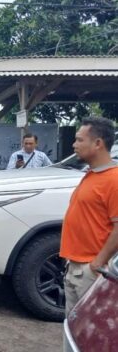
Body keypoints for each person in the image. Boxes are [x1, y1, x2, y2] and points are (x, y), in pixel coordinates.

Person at [60, 116, 118, 314]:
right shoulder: (91, 174)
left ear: (98, 143)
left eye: (79, 140)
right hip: (76, 267)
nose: (74, 144)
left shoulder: (114, 180)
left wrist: (97, 263)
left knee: (89, 334)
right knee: (74, 331)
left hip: (91, 270)